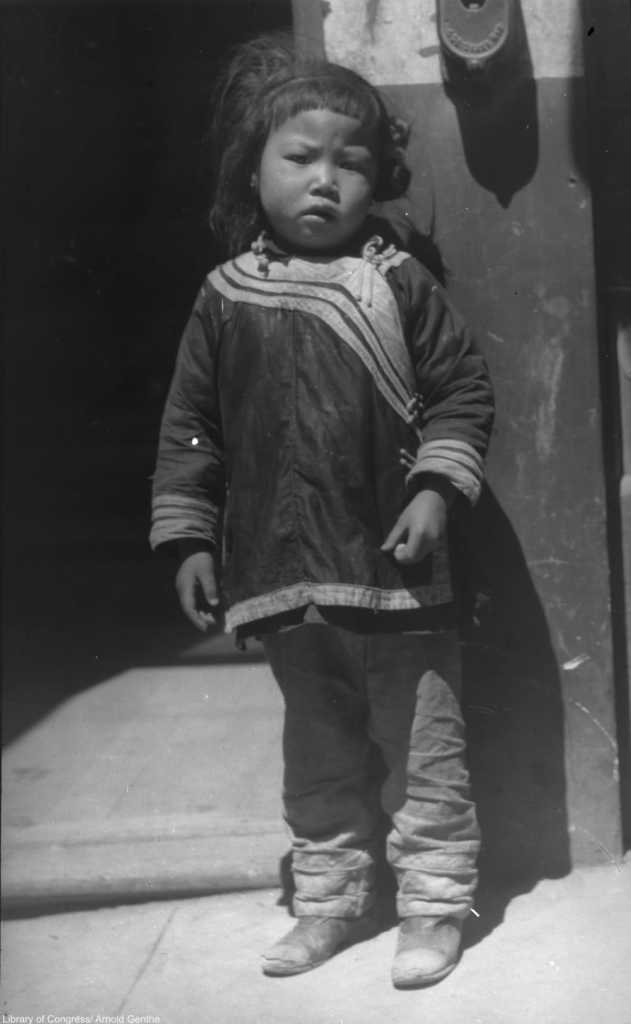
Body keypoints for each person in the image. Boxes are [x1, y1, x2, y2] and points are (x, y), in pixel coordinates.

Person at [150, 34, 494, 989]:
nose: (324, 181)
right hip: (279, 575)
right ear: (252, 170)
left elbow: (462, 392)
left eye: (349, 162)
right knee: (319, 752)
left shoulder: (398, 283)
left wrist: (432, 487)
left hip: (392, 577)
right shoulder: (223, 299)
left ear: (376, 176)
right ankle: (330, 903)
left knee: (424, 750)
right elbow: (191, 428)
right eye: (299, 158)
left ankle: (432, 906)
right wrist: (187, 535)